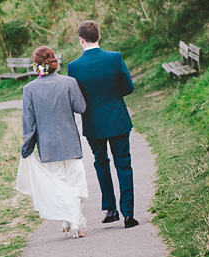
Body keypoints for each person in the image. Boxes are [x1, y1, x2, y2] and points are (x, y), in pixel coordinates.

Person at [67, 20, 138, 228]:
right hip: (118, 119)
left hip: (93, 123)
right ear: (99, 36)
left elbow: (77, 100)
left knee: (101, 163)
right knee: (123, 164)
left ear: (81, 39)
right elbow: (128, 87)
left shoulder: (74, 67)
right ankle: (128, 214)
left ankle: (111, 209)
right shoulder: (115, 58)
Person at [16, 46, 89, 238]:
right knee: (76, 182)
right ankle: (74, 221)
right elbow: (81, 107)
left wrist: (27, 148)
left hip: (48, 146)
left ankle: (69, 219)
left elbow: (29, 124)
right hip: (70, 143)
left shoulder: (29, 89)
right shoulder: (69, 82)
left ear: (35, 65)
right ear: (54, 61)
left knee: (59, 184)